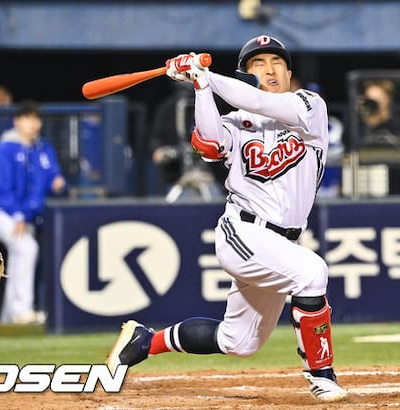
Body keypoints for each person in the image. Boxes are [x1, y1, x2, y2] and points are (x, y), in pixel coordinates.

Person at [106, 35, 348, 402]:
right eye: (258, 64)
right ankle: (322, 377)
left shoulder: (309, 107)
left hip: (281, 244)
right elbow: (209, 143)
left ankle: (145, 341)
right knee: (312, 272)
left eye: (277, 63)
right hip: (243, 232)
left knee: (239, 341)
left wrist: (206, 75)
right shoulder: (236, 123)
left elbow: (261, 101)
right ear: (245, 75)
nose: (270, 70)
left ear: (289, 74)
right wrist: (201, 87)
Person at [0, 101, 66, 324]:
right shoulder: (5, 148)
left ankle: (8, 317)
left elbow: (53, 175)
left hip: (30, 216)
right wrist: (18, 215)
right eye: (28, 119)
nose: (33, 124)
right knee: (27, 249)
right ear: (17, 122)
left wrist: (58, 182)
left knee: (18, 258)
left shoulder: (42, 148)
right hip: (6, 214)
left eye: (36, 119)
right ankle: (23, 310)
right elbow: (3, 188)